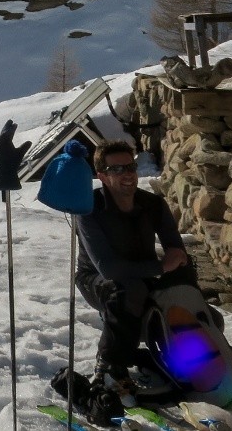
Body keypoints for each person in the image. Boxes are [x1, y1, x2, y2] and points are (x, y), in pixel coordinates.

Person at [75, 139, 196, 387]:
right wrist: (161, 267)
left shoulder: (152, 204)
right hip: (97, 280)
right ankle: (108, 366)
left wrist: (190, 301)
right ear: (102, 176)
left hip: (144, 276)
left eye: (130, 167)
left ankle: (178, 362)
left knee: (205, 316)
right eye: (116, 169)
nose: (127, 174)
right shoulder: (89, 209)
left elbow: (178, 256)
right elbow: (108, 269)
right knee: (129, 290)